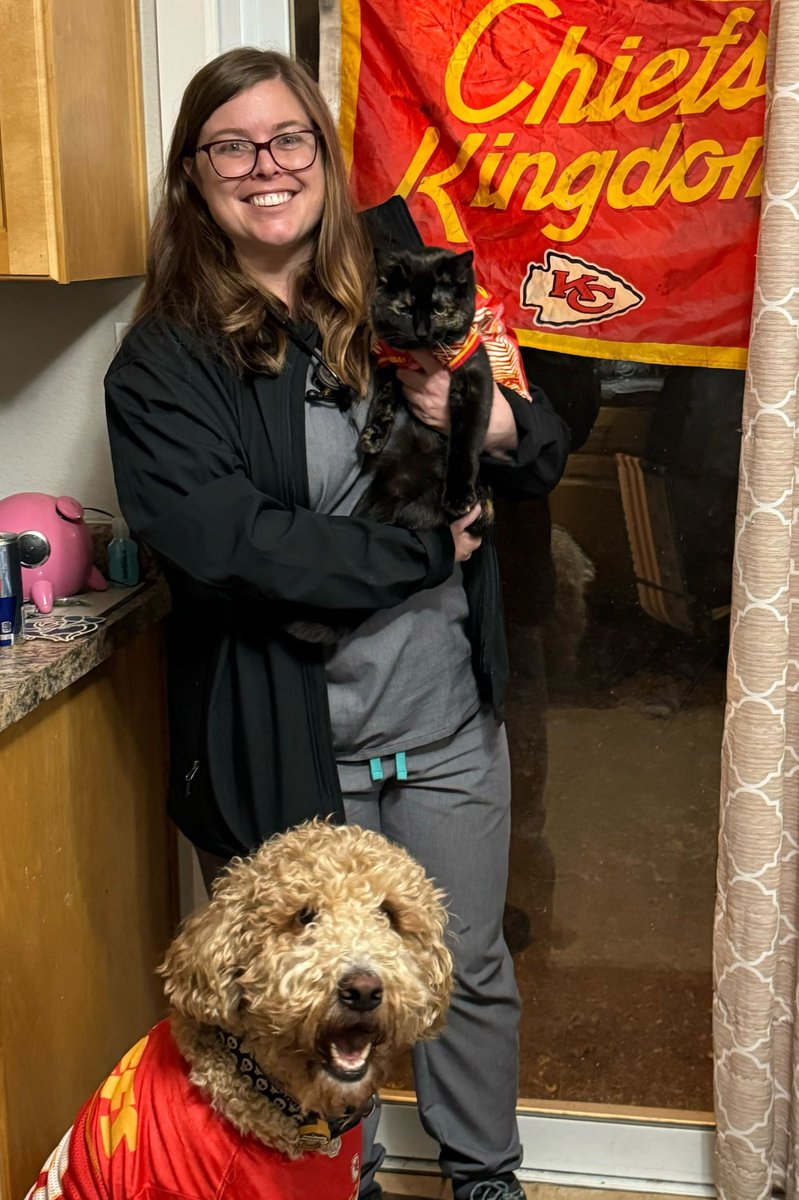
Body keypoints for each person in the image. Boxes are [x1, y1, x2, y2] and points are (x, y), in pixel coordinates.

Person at [104, 46, 570, 1200]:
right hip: (283, 734)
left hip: (442, 717)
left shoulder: (404, 294)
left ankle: (485, 1176)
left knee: (465, 960)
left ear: (321, 149)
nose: (265, 168)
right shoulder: (165, 360)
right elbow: (228, 543)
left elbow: (541, 445)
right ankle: (325, 1176)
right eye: (230, 147)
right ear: (194, 178)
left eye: (288, 140)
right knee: (298, 994)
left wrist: (489, 422)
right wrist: (418, 547)